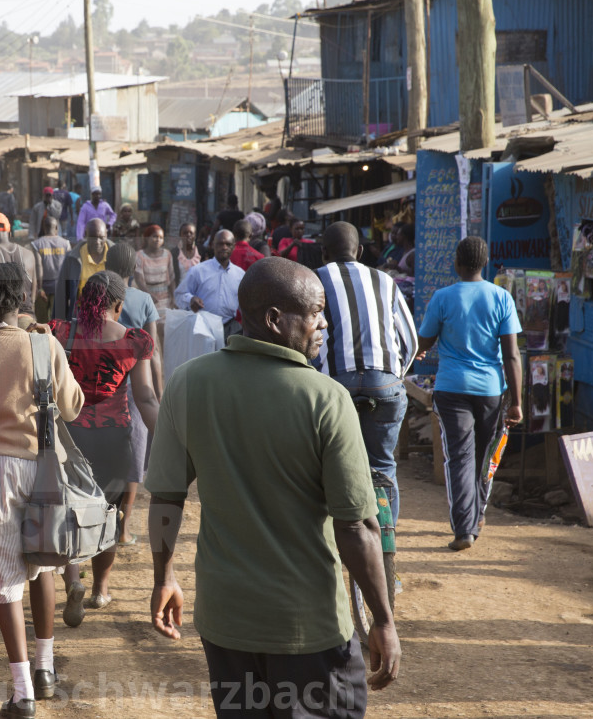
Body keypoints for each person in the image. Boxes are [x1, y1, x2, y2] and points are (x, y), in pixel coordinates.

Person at [147, 257, 401, 718]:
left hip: (225, 626)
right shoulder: (327, 399)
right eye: (315, 312)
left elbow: (166, 499)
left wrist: (163, 576)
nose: (323, 324)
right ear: (273, 319)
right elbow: (358, 527)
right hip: (308, 628)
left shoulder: (187, 383)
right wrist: (382, 620)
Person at [0, 262, 85, 719]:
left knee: (8, 581)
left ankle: (22, 691)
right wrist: (50, 356)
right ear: (26, 300)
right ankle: (46, 671)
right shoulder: (45, 344)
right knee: (42, 563)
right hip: (46, 467)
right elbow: (71, 408)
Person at [50, 271, 160, 627]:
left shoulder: (61, 333)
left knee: (70, 511)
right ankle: (100, 589)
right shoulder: (134, 341)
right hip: (114, 438)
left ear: (85, 300)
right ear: (118, 304)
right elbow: (145, 396)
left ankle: (73, 581)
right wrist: (164, 435)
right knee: (111, 516)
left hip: (71, 437)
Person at [416, 236, 523, 551]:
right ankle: (475, 519)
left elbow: (425, 339)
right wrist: (516, 401)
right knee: (482, 455)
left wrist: (420, 352)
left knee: (460, 457)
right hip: (491, 390)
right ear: (484, 263)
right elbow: (512, 355)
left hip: (451, 389)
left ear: (457, 263)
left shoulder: (443, 298)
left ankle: (464, 529)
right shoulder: (501, 297)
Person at [315, 222, 418, 528]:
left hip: (336, 386)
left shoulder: (316, 281)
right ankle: (386, 552)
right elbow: (410, 341)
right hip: (385, 383)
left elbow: (308, 340)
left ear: (323, 254)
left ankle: (339, 541)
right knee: (383, 465)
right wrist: (393, 375)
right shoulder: (386, 281)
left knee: (331, 466)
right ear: (359, 251)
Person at [106, 244, 163, 547]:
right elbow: (153, 353)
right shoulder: (144, 301)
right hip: (135, 390)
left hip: (100, 386)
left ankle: (102, 521)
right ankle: (124, 528)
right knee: (135, 458)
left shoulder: (95, 299)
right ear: (133, 270)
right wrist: (159, 391)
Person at [174, 229, 245, 342]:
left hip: (230, 329)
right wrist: (191, 299)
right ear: (213, 245)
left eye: (228, 244)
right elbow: (179, 295)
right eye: (220, 244)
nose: (224, 247)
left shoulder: (240, 275)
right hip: (202, 328)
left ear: (233, 246)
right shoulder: (198, 271)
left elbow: (244, 305)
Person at [0, 213, 39, 329]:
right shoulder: (29, 254)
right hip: (29, 321)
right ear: (9, 234)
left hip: (2, 325)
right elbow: (33, 297)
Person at [53, 217, 111, 321]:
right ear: (85, 235)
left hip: (108, 317)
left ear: (106, 235)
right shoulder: (73, 258)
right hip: (80, 316)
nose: (97, 242)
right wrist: (58, 324)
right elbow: (62, 293)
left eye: (101, 237)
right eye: (93, 237)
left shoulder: (114, 256)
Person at [29, 216, 71, 323]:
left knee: (41, 324)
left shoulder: (36, 244)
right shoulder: (66, 244)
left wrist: (40, 288)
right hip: (60, 289)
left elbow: (38, 266)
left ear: (44, 227)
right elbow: (69, 269)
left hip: (43, 289)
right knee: (58, 323)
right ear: (56, 227)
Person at [134, 224, 176, 313]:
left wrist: (174, 297)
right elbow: (139, 280)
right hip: (146, 297)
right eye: (155, 236)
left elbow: (172, 277)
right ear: (147, 238)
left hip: (165, 300)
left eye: (161, 237)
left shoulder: (167, 254)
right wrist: (149, 296)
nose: (158, 240)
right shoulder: (139, 255)